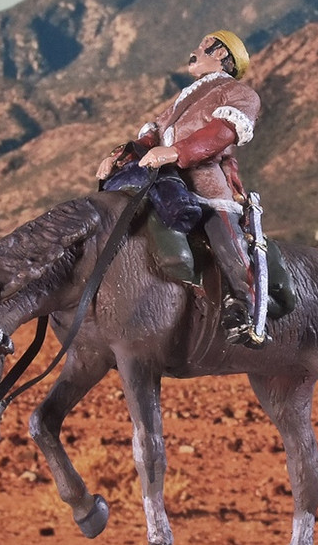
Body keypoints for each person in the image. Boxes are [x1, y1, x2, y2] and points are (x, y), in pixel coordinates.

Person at [96, 31, 263, 347]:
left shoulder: (238, 93)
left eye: (205, 46)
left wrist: (175, 152)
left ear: (222, 56)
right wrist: (119, 155)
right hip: (166, 184)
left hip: (206, 186)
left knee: (221, 231)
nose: (195, 50)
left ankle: (240, 304)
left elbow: (220, 133)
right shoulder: (182, 100)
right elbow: (151, 136)